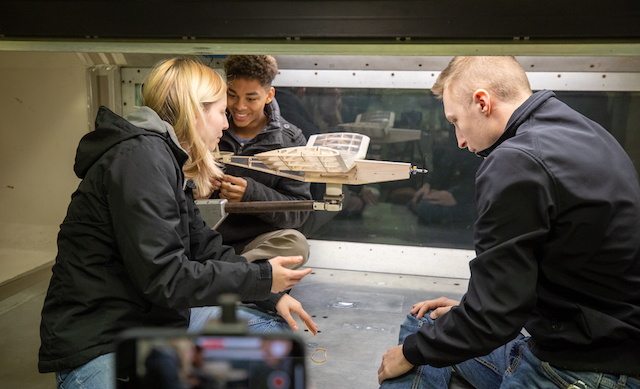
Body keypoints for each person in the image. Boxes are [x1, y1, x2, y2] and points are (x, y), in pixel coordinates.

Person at [38, 57, 317, 389]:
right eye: (220, 111)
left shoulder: (165, 158)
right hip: (101, 336)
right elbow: (166, 277)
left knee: (274, 335)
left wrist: (270, 292)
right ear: (194, 112)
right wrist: (261, 277)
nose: (226, 124)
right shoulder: (142, 159)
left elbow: (203, 246)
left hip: (154, 316)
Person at [378, 56, 640, 388]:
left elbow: (493, 318)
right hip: (611, 344)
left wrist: (414, 352)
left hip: (576, 370)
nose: (459, 140)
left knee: (410, 349)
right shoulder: (583, 130)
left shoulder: (516, 160)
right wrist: (469, 310)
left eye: (456, 120)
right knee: (422, 325)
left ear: (482, 102)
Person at [208, 55, 312, 269]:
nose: (239, 107)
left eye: (251, 98)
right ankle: (243, 278)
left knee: (296, 245)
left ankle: (230, 274)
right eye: (232, 95)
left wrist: (251, 195)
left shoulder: (290, 141)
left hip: (254, 247)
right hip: (204, 239)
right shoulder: (208, 125)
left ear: (268, 95)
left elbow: (298, 212)